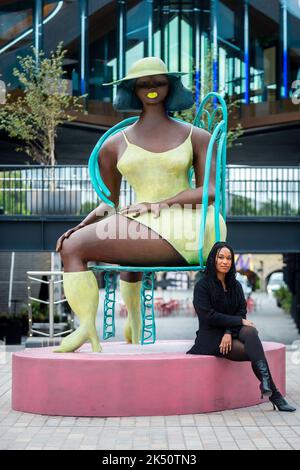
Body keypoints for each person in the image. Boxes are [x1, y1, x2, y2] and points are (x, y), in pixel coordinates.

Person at [54, 57, 226, 353]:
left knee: (83, 246)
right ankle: (97, 325)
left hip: (189, 222)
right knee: (74, 243)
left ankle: (100, 328)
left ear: (170, 86)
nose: (151, 88)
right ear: (132, 89)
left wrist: (160, 203)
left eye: (158, 82)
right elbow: (111, 203)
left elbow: (210, 192)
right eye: (143, 83)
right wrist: (83, 225)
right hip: (140, 219)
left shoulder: (197, 136)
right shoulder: (114, 145)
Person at [187, 241, 296, 412]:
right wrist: (237, 323)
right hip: (210, 337)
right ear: (213, 260)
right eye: (220, 257)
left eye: (229, 258)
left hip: (230, 333)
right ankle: (274, 393)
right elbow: (208, 316)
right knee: (253, 348)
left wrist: (229, 331)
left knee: (250, 331)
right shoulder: (202, 286)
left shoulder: (235, 285)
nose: (225, 261)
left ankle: (268, 386)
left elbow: (241, 310)